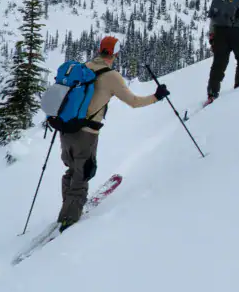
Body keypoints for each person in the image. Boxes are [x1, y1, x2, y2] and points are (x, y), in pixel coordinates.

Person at [58, 35, 168, 231]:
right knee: (82, 174)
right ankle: (70, 220)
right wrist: (156, 97)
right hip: (87, 132)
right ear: (115, 53)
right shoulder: (112, 76)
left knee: (71, 170)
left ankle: (67, 209)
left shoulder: (84, 68)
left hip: (66, 129)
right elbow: (133, 102)